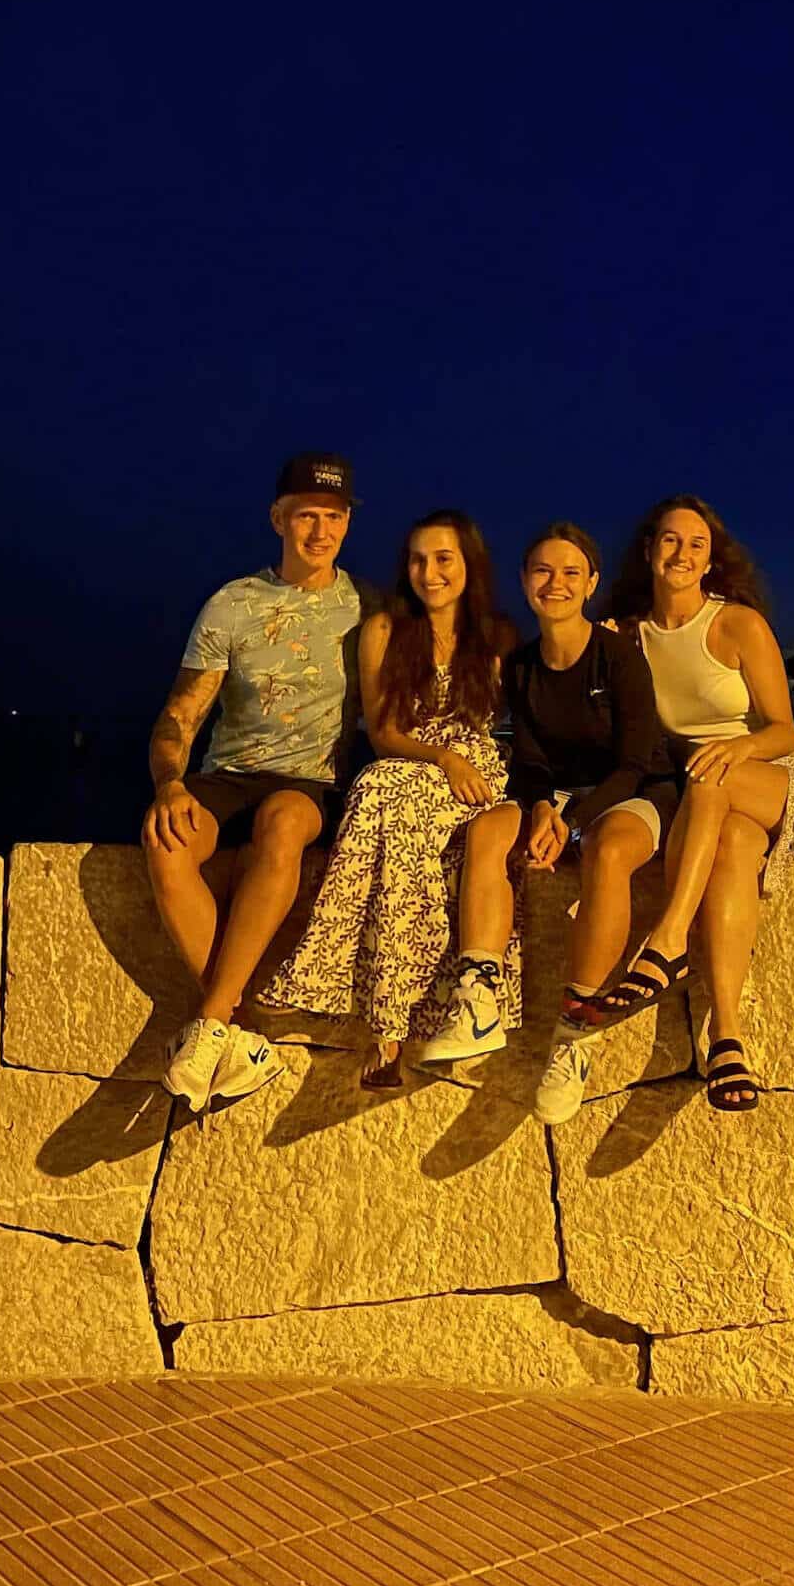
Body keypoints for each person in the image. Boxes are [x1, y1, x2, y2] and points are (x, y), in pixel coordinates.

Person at [595, 494, 794, 1110]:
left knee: (709, 774)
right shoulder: (629, 637)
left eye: (696, 544)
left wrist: (737, 749)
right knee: (732, 848)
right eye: (671, 540)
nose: (682, 553)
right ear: (650, 549)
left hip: (783, 779)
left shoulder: (735, 623)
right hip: (715, 802)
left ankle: (669, 938)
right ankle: (727, 1039)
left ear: (711, 559)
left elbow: (783, 729)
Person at [421, 523, 677, 1125]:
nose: (554, 583)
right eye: (541, 571)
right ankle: (478, 996)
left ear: (591, 584)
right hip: (559, 796)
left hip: (636, 791)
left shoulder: (618, 657)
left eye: (569, 573)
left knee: (608, 853)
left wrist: (576, 822)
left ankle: (575, 1031)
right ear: (525, 582)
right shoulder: (524, 666)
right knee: (487, 831)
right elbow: (531, 759)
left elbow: (636, 761)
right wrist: (541, 808)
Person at [141, 451, 371, 1111]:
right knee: (166, 841)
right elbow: (180, 716)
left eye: (334, 517)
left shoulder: (366, 609)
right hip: (230, 776)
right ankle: (236, 1034)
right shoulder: (232, 604)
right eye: (306, 516)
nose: (320, 531)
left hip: (312, 784)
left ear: (347, 524)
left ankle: (211, 1025)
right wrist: (169, 784)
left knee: (285, 824)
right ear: (278, 518)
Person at [258, 510, 519, 1086]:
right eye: (418, 559)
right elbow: (383, 733)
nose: (429, 572)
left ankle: (341, 990)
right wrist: (439, 759)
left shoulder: (494, 637)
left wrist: (459, 763)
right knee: (382, 788)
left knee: (385, 799)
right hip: (415, 762)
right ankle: (393, 1024)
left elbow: (500, 730)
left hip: (474, 775)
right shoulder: (385, 631)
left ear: (468, 565)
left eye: (443, 558)